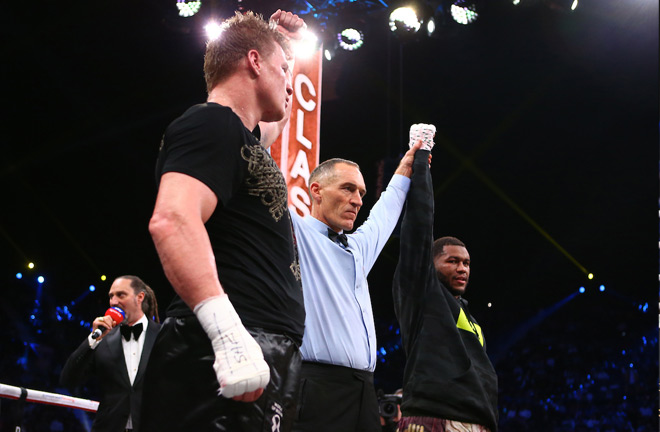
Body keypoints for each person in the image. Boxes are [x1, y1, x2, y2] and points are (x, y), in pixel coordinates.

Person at [142, 9, 307, 432]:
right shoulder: (209, 122)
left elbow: (277, 116)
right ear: (253, 62)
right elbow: (172, 219)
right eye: (283, 70)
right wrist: (227, 336)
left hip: (261, 344)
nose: (290, 82)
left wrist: (283, 47)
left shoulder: (242, 137)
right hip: (219, 346)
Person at [290, 141, 423, 432]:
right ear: (316, 191)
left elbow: (385, 214)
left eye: (361, 192)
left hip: (364, 389)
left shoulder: (357, 249)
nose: (358, 200)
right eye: (348, 189)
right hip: (315, 386)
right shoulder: (294, 232)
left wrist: (405, 168)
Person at [392, 125, 498, 432]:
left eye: (466, 263)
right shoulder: (422, 293)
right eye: (452, 261)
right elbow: (418, 228)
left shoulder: (471, 319)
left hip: (478, 422)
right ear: (431, 263)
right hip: (432, 417)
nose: (462, 268)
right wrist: (422, 160)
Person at [60, 275, 161, 432]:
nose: (114, 302)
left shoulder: (163, 335)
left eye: (121, 295)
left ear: (139, 297)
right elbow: (68, 380)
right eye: (111, 296)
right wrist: (92, 341)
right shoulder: (103, 340)